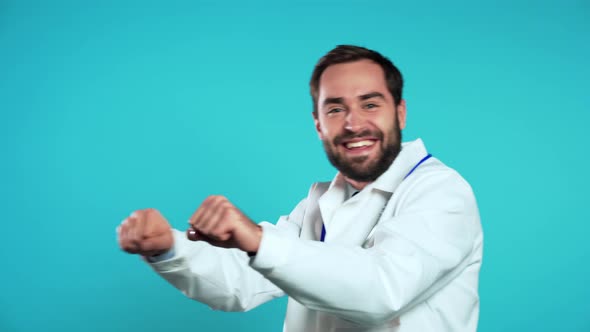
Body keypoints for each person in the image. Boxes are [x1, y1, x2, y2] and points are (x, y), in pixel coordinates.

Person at [117, 45, 483, 332]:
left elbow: (383, 291)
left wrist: (257, 240)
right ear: (318, 124)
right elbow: (241, 283)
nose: (354, 124)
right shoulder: (324, 201)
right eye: (335, 109)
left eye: (370, 104)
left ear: (400, 113)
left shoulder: (441, 192)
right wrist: (167, 247)